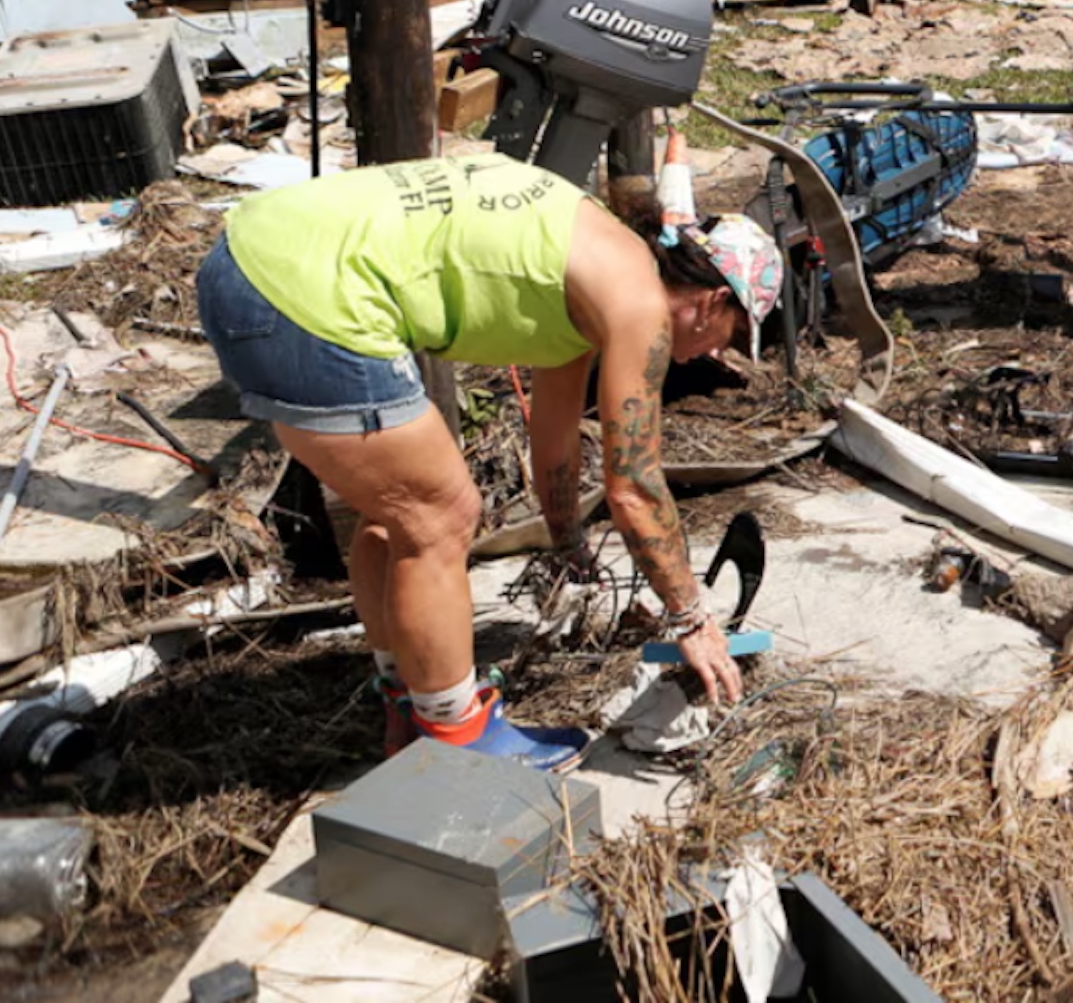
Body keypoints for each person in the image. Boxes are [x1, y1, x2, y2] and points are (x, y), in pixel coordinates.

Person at [195, 153, 781, 768]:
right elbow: (634, 483)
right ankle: (460, 738)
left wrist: (567, 541)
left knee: (394, 514)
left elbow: (553, 434)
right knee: (439, 516)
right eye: (732, 335)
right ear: (714, 299)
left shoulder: (599, 265)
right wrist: (692, 619)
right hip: (308, 294)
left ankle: (409, 698)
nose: (715, 354)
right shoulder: (640, 307)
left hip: (255, 255)